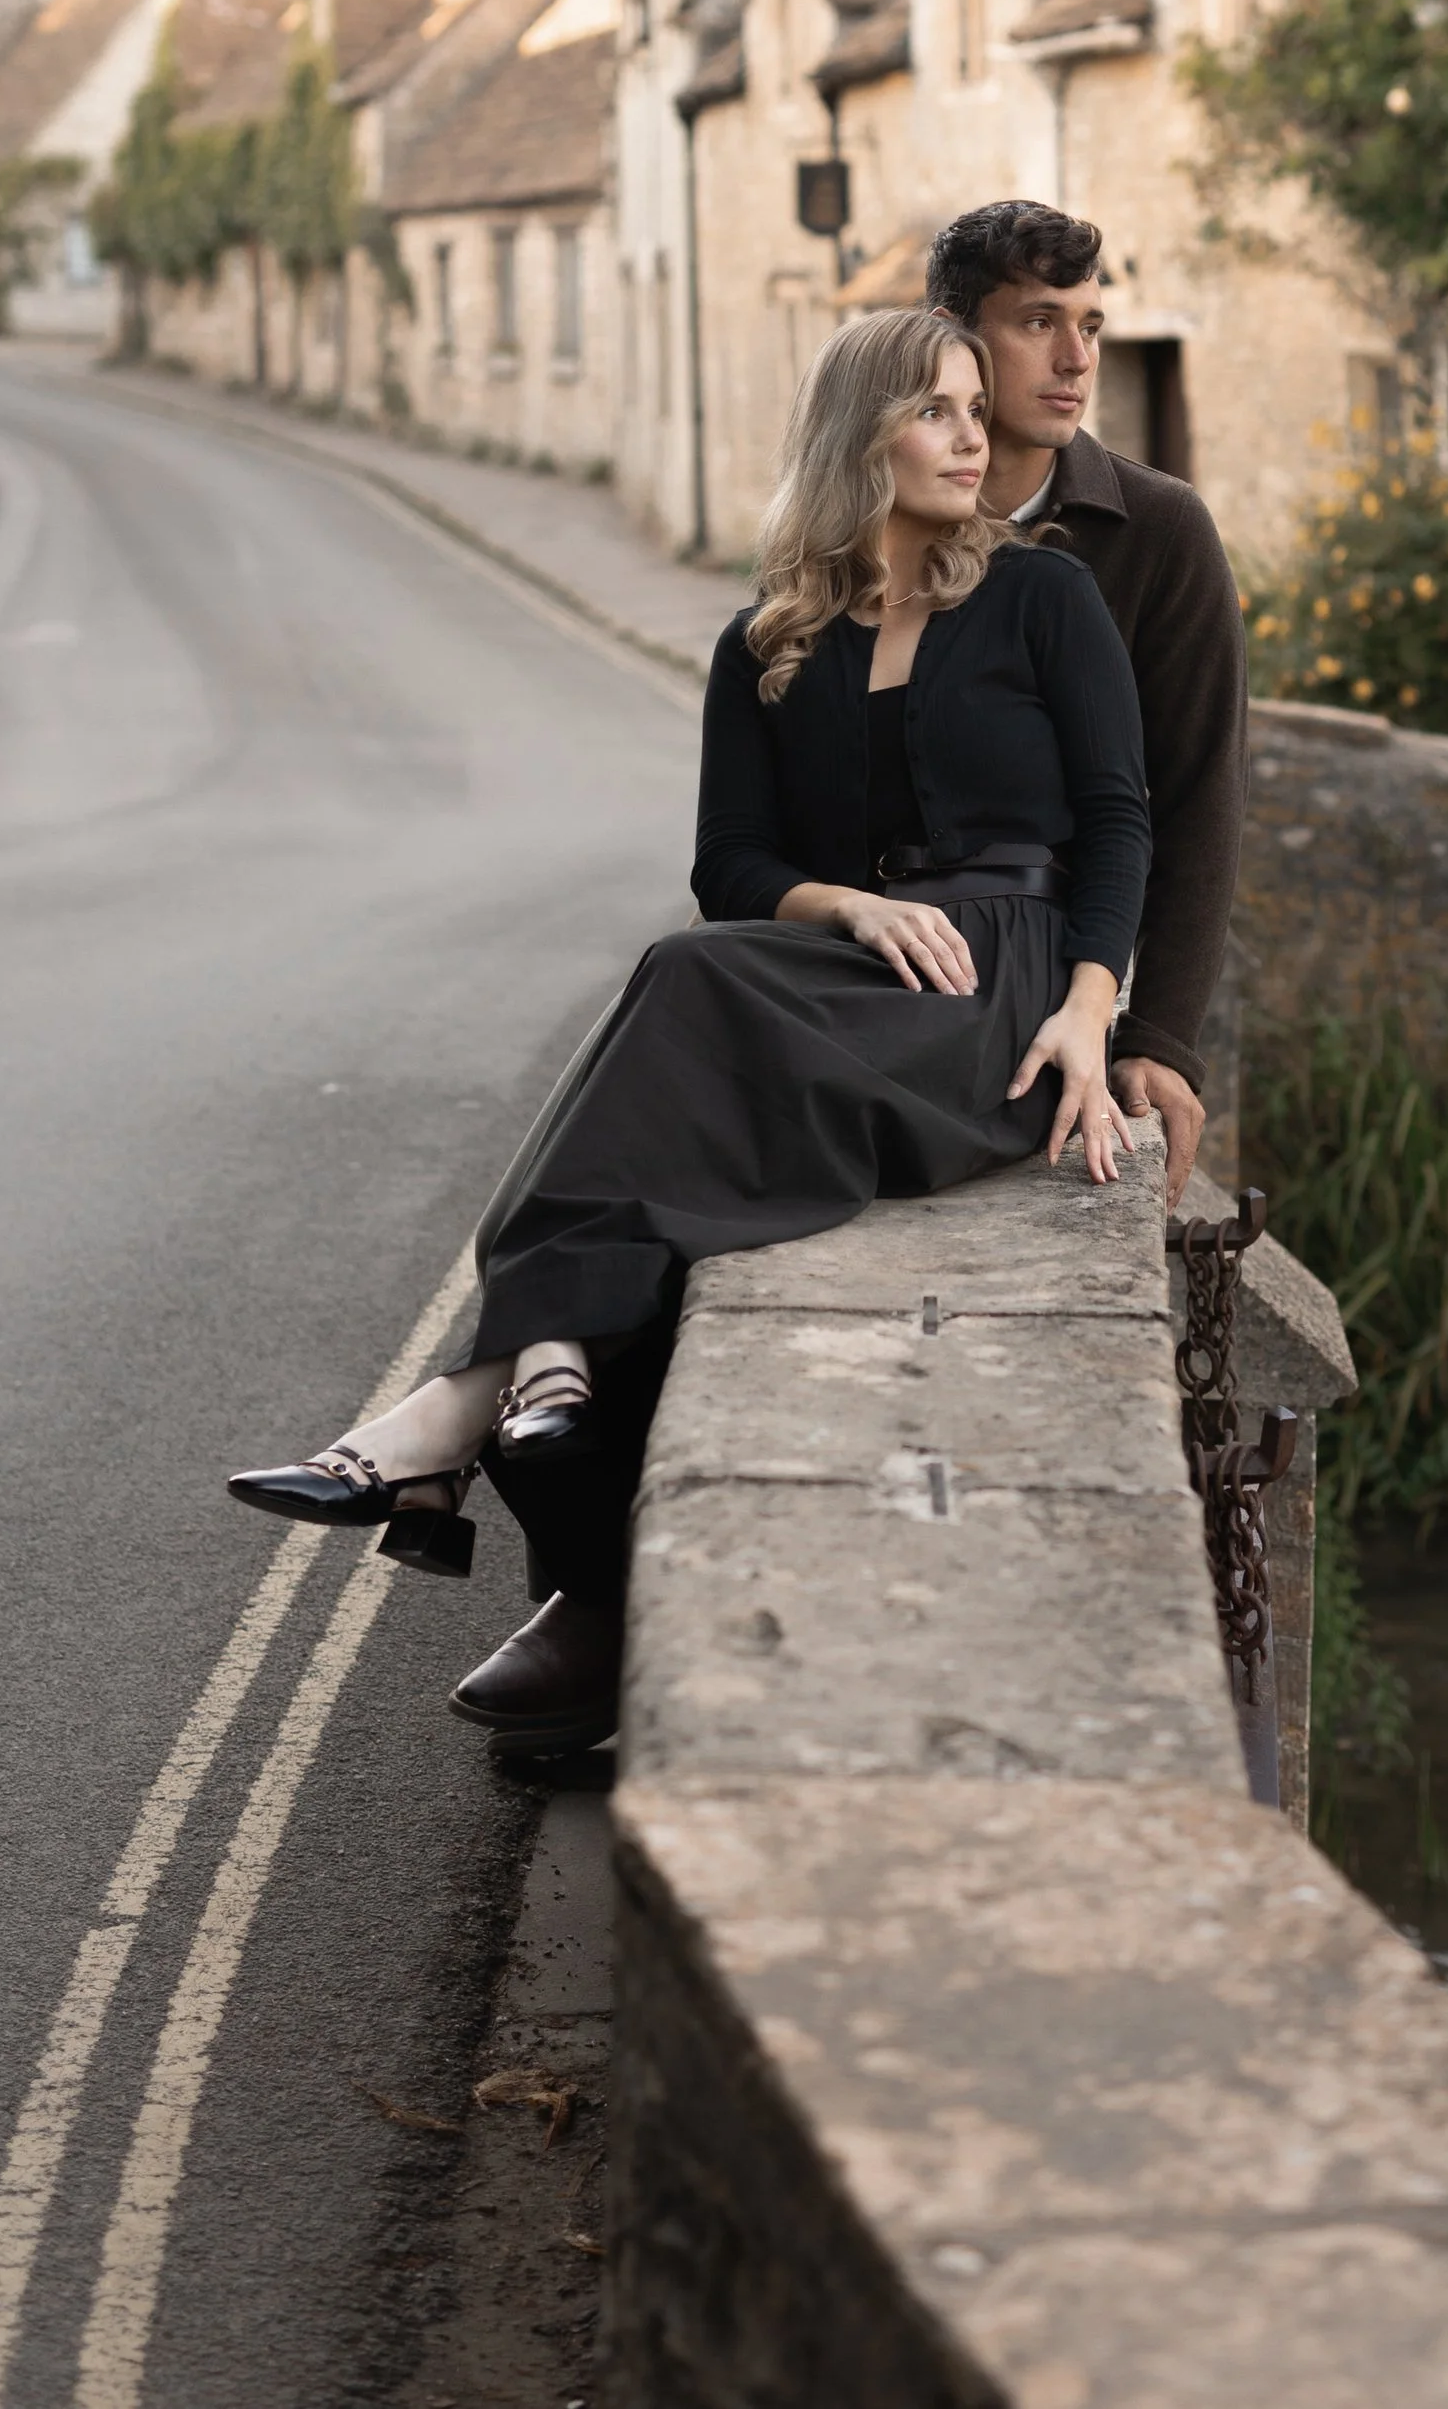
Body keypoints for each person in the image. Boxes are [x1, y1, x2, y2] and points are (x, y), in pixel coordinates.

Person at [226, 305, 1150, 1754]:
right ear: (861, 437)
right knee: (689, 1019)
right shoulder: (768, 643)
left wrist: (1094, 1014)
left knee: (684, 982)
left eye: (980, 407)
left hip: (1006, 989)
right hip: (860, 976)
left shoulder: (1045, 601)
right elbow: (733, 866)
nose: (978, 436)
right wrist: (843, 903)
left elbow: (1115, 818)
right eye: (938, 410)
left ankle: (480, 1401)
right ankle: (550, 1447)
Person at [921, 201, 1247, 1211]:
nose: (1074, 357)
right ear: (955, 340)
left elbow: (1196, 794)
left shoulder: (1158, 531)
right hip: (884, 964)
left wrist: (1158, 1040)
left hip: (1055, 975)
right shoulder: (867, 519)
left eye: (1090, 325)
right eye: (1036, 323)